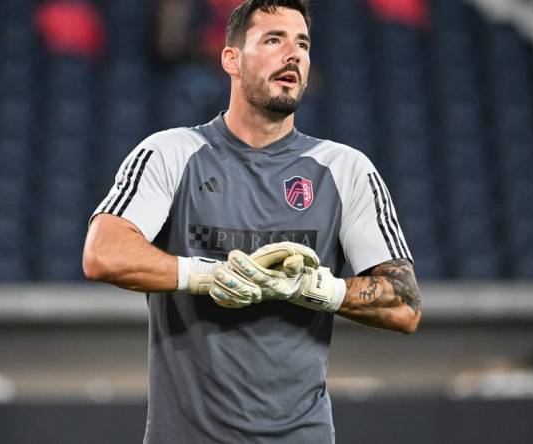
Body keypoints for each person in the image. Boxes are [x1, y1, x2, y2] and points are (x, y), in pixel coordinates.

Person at [82, 1, 422, 442]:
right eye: (273, 40)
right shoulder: (171, 153)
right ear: (232, 59)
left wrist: (313, 287)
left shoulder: (346, 169)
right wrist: (207, 275)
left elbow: (405, 305)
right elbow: (103, 253)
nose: (293, 55)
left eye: (302, 43)